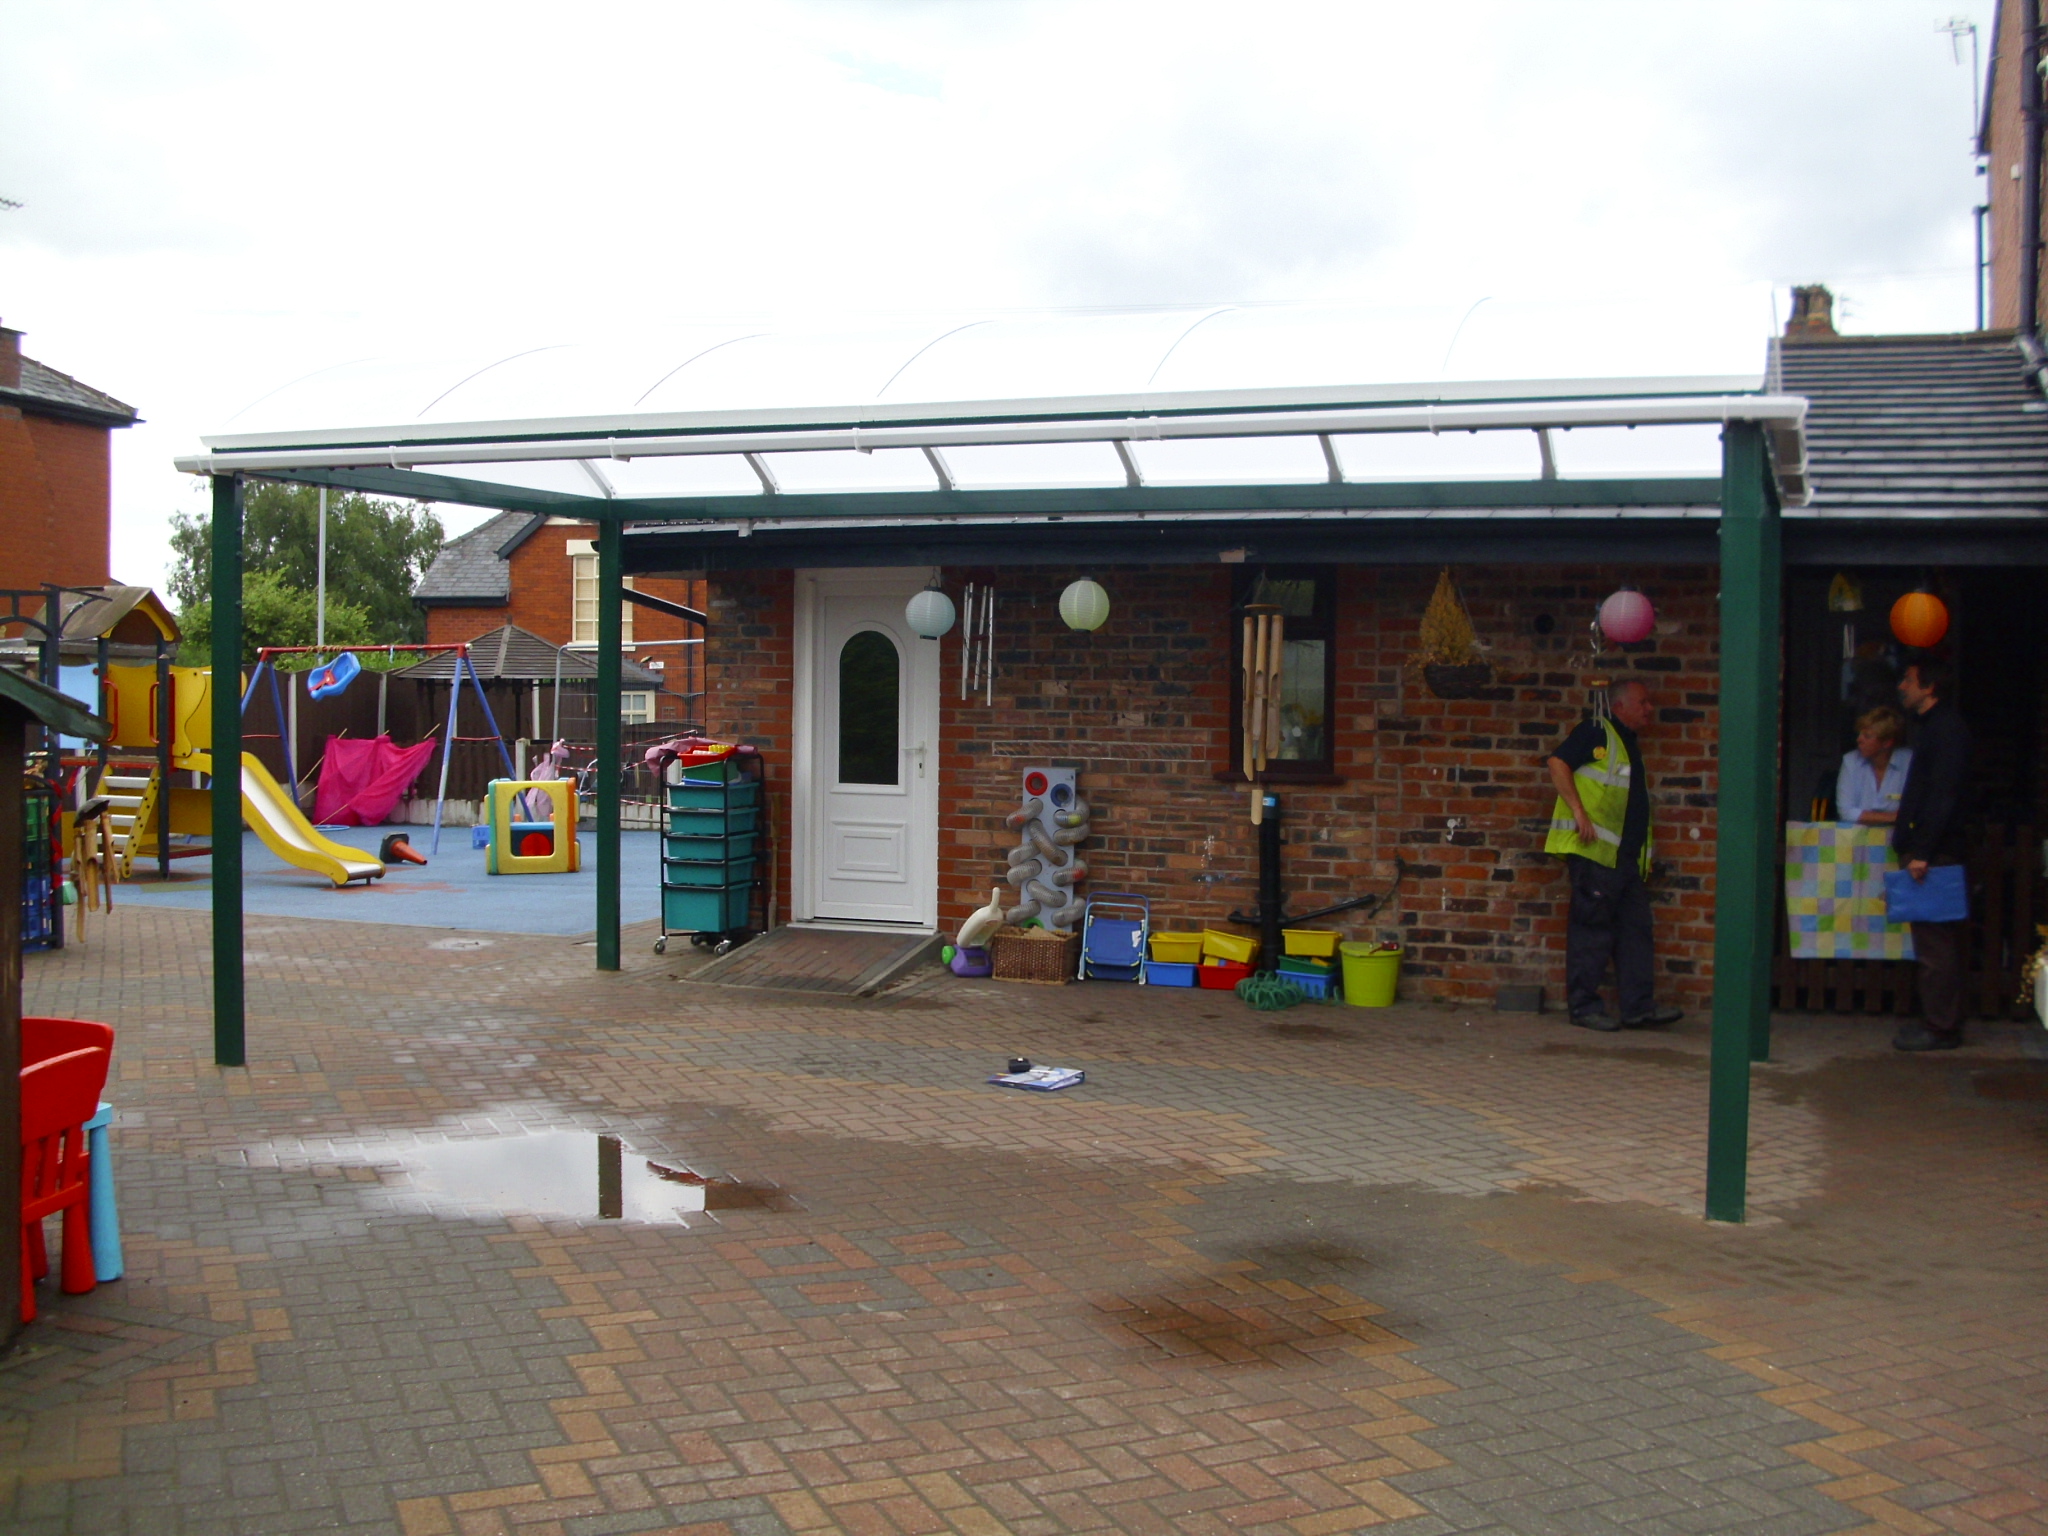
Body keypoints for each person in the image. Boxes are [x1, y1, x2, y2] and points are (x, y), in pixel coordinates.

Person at [1543, 679, 1683, 1032]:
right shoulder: (1596, 731)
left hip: (1624, 859)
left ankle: (1638, 1008)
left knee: (1636, 931)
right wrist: (1578, 812)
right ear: (1619, 706)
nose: (1649, 709)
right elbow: (1557, 762)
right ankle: (1584, 1008)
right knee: (1591, 932)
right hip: (1596, 855)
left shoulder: (1626, 742)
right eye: (1642, 702)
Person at [1891, 658, 1971, 1051]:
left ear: (1929, 687)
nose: (1902, 686)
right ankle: (1937, 1021)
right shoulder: (1933, 728)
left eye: (1909, 680)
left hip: (1935, 853)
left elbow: (1943, 795)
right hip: (1929, 849)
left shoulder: (1947, 730)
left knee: (1935, 946)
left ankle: (1942, 1027)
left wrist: (1922, 851)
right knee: (1930, 942)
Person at [1836, 706, 1912, 825]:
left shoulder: (1908, 761)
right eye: (1859, 734)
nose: (1859, 739)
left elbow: (1915, 810)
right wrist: (1893, 817)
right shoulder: (1851, 761)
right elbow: (1846, 811)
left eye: (1867, 736)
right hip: (1858, 834)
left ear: (1887, 742)